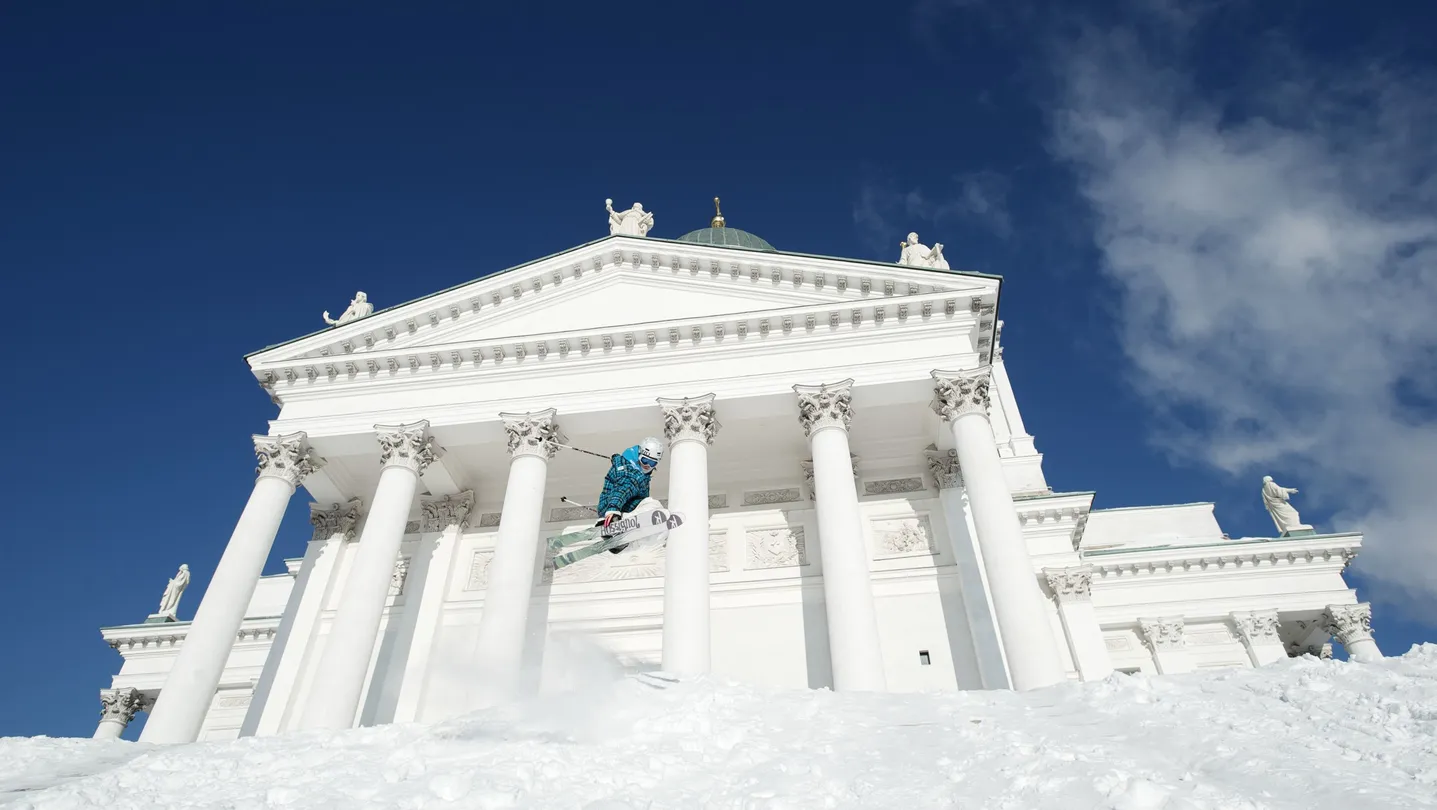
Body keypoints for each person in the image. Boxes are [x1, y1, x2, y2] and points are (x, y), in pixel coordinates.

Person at [596, 436, 664, 553]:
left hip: (619, 507)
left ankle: (620, 541)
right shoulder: (634, 474)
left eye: (652, 462)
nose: (647, 465)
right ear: (639, 455)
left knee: (647, 534)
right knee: (653, 506)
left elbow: (621, 466)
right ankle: (620, 523)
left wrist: (617, 459)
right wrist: (613, 510)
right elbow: (623, 490)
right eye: (645, 460)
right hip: (614, 507)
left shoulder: (629, 466)